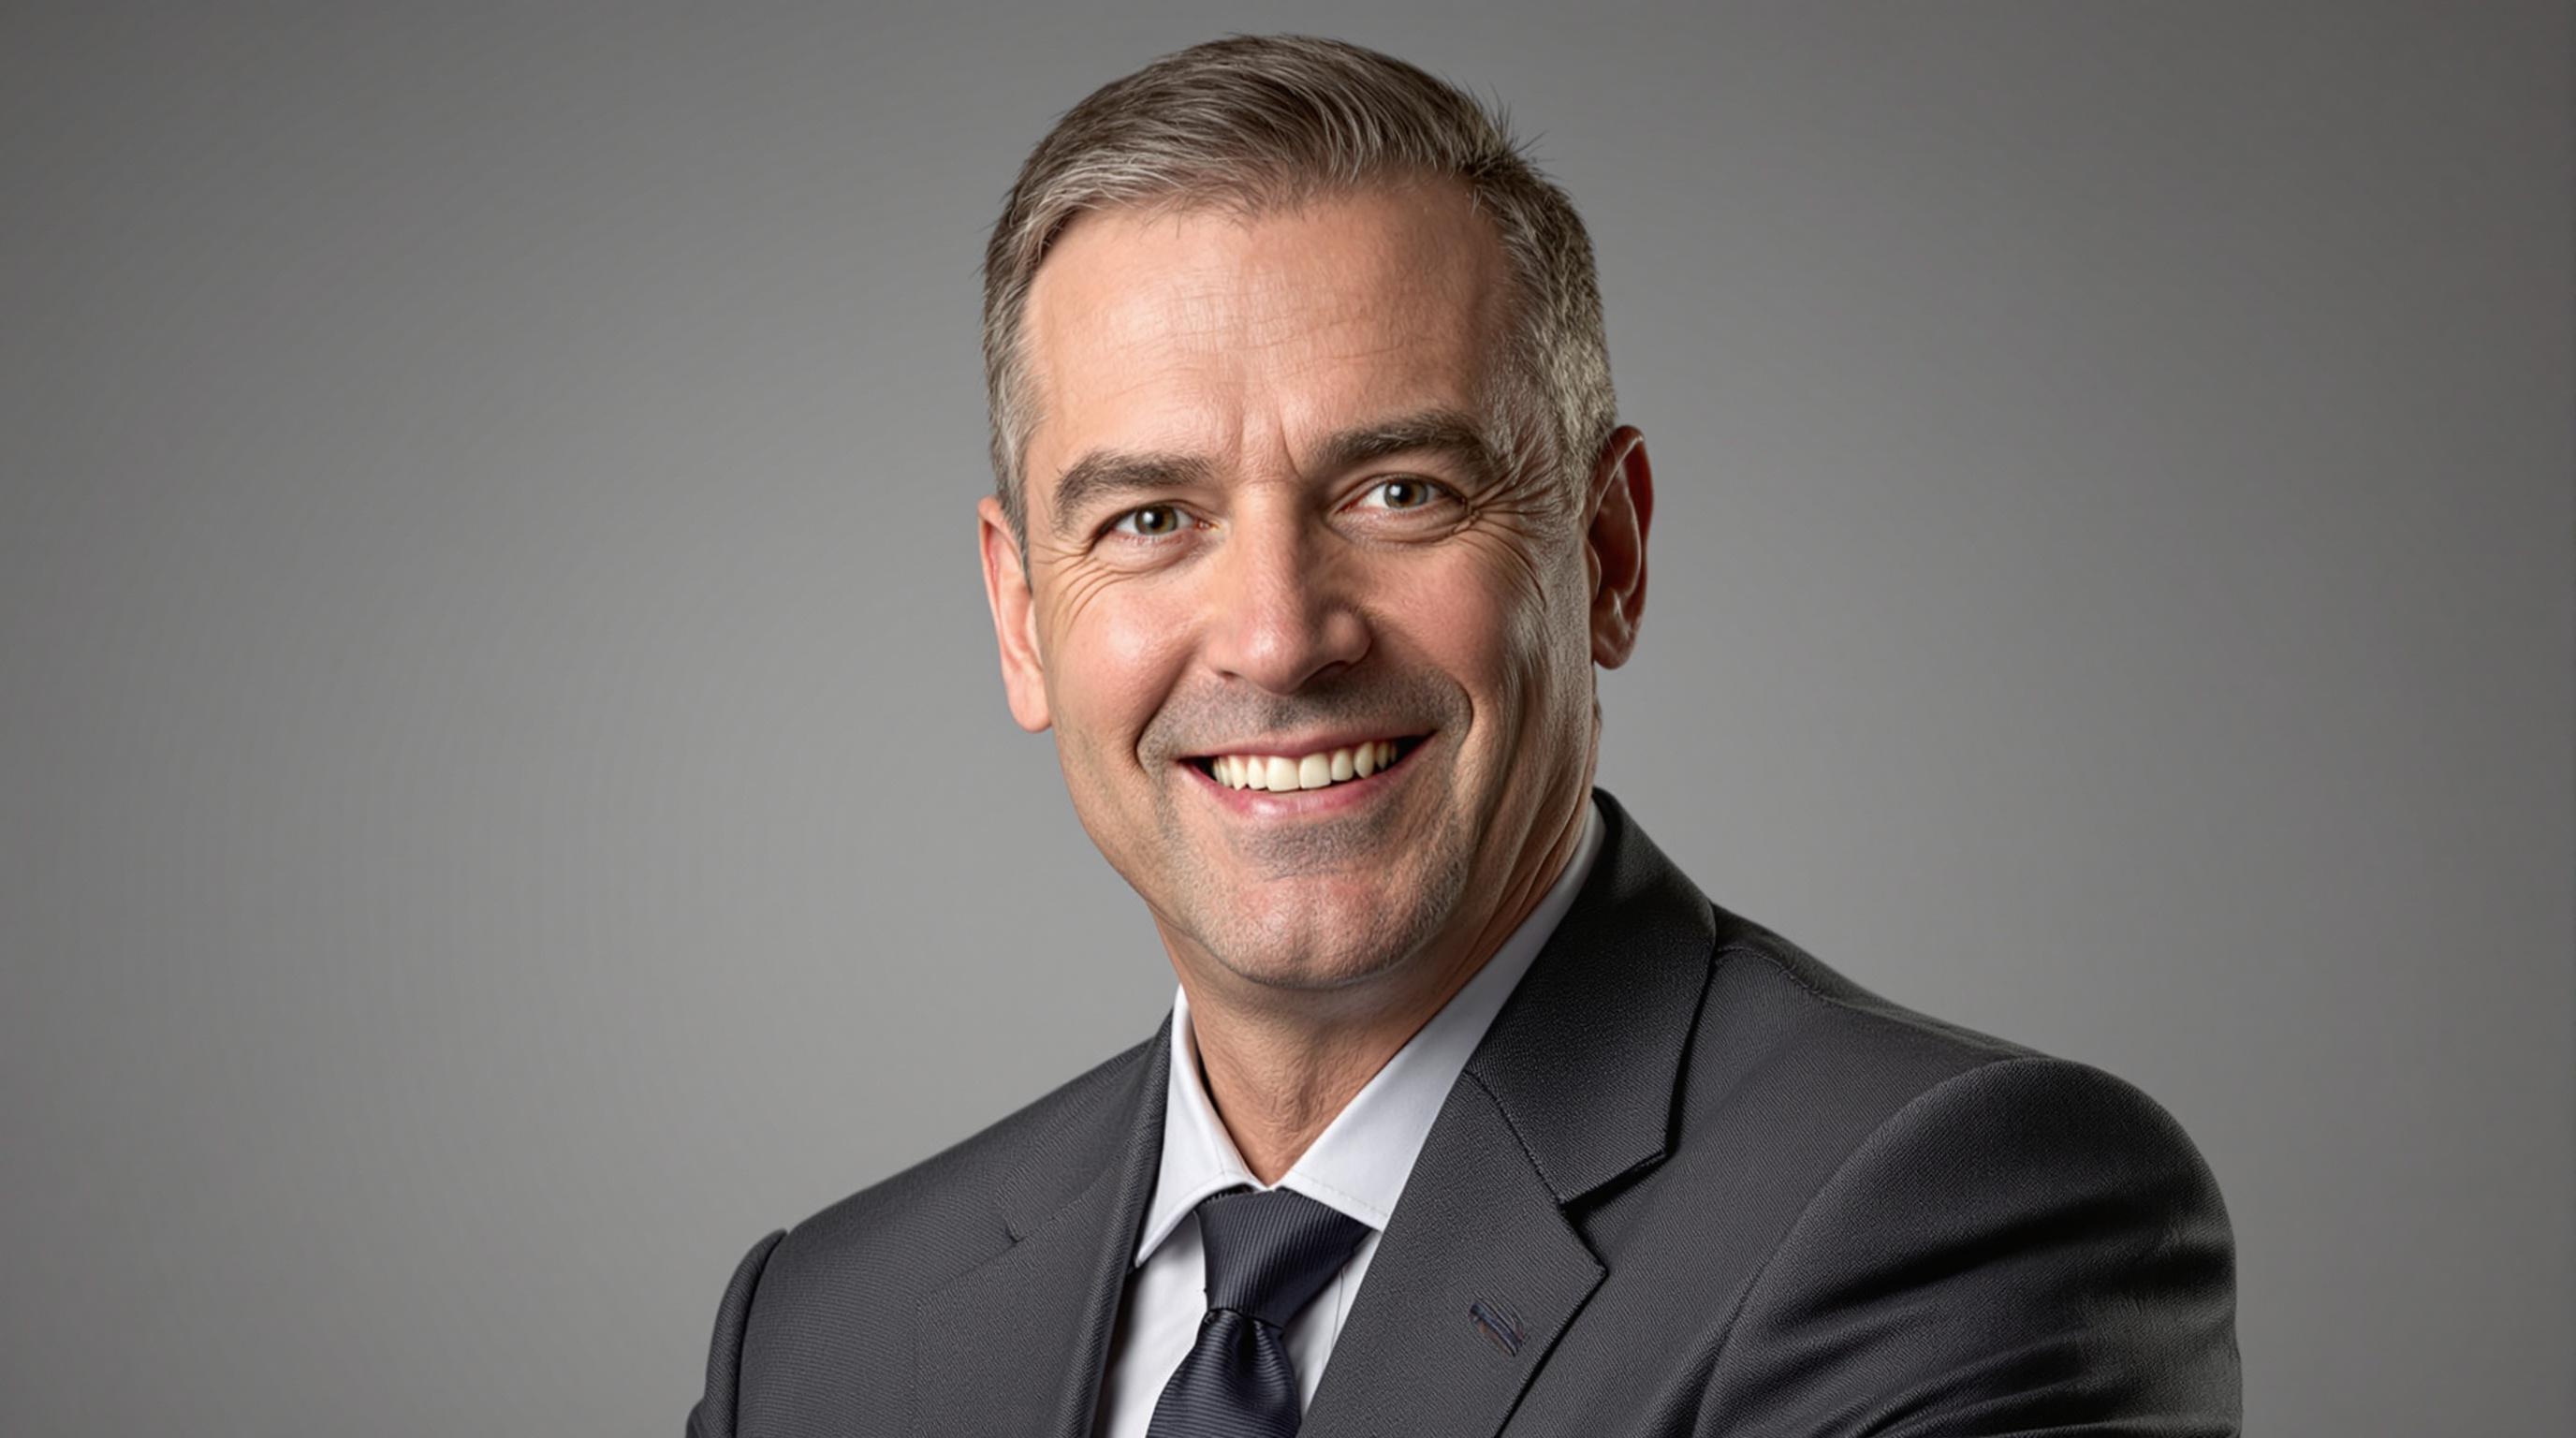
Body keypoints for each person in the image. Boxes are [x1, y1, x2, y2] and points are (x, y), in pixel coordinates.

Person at [686, 34, 2240, 1438]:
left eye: (1400, 493)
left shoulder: (1954, 1220)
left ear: (1607, 555)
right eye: (1153, 519)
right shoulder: (823, 1339)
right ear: (1024, 616)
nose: (1282, 637)